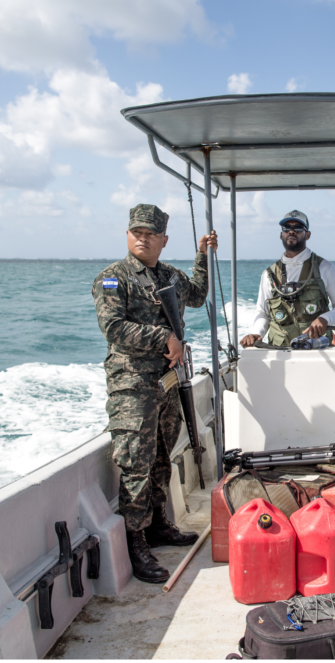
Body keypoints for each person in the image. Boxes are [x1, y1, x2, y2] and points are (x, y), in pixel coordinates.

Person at [92, 203, 218, 583]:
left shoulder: (170, 275)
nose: (142, 239)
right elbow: (113, 327)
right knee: (137, 464)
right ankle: (135, 541)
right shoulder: (113, 279)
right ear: (127, 235)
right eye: (136, 232)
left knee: (163, 456)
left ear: (164, 239)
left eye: (150, 234)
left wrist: (202, 255)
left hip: (167, 383)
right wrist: (162, 336)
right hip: (133, 386)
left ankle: (158, 524)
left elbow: (196, 295)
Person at [239, 210, 335, 348]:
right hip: (279, 353)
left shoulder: (325, 268)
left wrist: (325, 319)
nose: (291, 232)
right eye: (286, 228)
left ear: (307, 235)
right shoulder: (268, 274)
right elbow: (263, 313)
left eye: (298, 228)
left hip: (316, 350)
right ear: (281, 235)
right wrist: (256, 333)